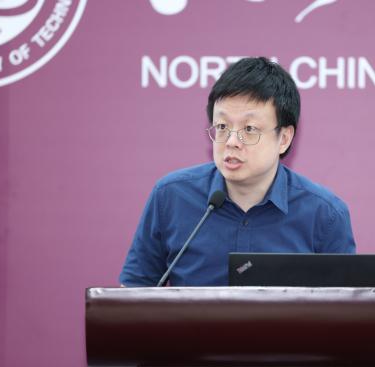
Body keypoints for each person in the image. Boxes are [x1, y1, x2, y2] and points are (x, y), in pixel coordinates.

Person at [119, 57, 355, 287]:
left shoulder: (325, 215)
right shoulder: (171, 197)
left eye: (249, 129)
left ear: (284, 138)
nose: (231, 141)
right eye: (222, 126)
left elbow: (343, 309)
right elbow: (132, 298)